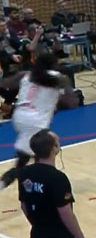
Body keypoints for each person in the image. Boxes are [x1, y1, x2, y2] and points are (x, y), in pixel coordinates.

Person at [0, 52, 78, 191]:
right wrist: (64, 91)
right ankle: (32, 186)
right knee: (38, 158)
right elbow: (72, 103)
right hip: (35, 121)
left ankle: (33, 184)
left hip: (19, 117)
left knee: (41, 151)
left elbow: (6, 84)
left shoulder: (26, 74)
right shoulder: (59, 78)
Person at [19, 129, 85, 238]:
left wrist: (38, 226)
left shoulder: (25, 172)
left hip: (37, 233)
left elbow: (24, 205)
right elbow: (66, 214)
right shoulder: (58, 178)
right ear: (53, 148)